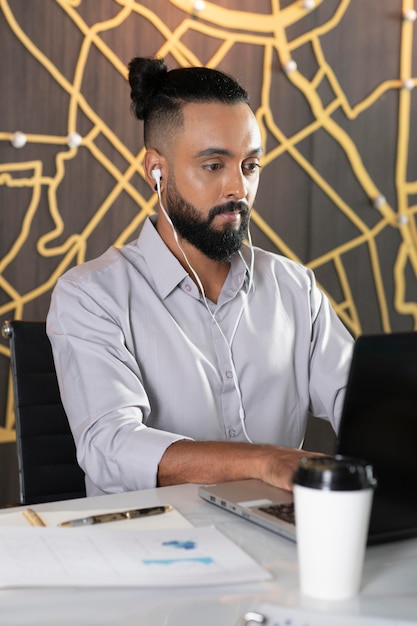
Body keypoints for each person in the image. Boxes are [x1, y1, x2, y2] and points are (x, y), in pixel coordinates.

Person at [47, 57, 353, 497]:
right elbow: (110, 447)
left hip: (279, 543)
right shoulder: (91, 296)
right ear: (156, 170)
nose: (238, 189)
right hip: (150, 549)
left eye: (250, 166)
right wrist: (268, 462)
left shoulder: (295, 289)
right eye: (214, 166)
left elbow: (364, 406)